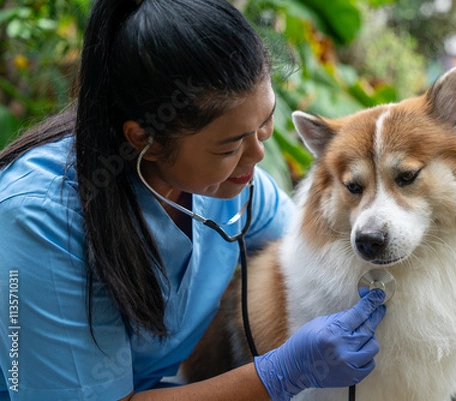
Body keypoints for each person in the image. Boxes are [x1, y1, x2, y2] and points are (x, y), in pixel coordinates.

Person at [0, 0, 386, 400]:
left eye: (265, 122)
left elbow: (310, 251)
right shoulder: (37, 223)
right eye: (229, 146)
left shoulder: (232, 191)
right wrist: (282, 373)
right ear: (143, 141)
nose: (257, 155)